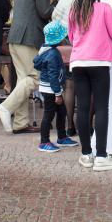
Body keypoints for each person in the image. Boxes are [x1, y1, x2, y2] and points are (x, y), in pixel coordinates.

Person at [68, 0, 112, 171]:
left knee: (82, 108)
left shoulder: (74, 11)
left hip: (78, 62)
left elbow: (71, 36)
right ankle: (101, 156)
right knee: (101, 108)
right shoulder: (104, 8)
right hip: (99, 62)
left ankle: (86, 155)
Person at [0, 0, 55, 134]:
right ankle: (6, 107)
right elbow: (45, 12)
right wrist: (57, 7)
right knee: (35, 77)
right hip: (29, 39)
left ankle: (20, 122)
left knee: (23, 81)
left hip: (15, 37)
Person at [51, 0, 93, 137]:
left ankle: (70, 125)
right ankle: (88, 125)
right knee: (90, 85)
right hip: (89, 43)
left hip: (69, 42)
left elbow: (55, 17)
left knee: (70, 84)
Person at [34, 20, 79, 153]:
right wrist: (58, 94)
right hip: (51, 90)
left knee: (62, 112)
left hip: (50, 88)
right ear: (58, 39)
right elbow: (53, 76)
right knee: (49, 115)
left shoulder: (45, 49)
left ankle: (62, 137)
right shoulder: (53, 54)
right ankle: (44, 141)